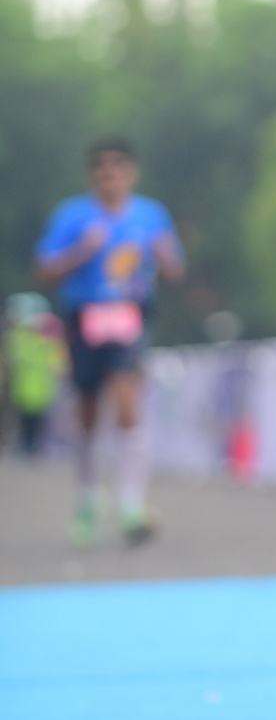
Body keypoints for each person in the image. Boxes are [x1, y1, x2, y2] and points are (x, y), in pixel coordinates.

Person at [34, 137, 185, 544]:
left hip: (130, 316)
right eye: (101, 169)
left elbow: (175, 271)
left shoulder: (151, 215)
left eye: (116, 168)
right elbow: (44, 269)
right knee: (86, 412)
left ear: (130, 174)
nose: (109, 175)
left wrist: (165, 257)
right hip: (85, 316)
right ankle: (88, 496)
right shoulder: (72, 216)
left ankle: (132, 503)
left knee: (126, 400)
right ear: (92, 177)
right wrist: (82, 252)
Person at [2, 293, 66, 453]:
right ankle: (26, 444)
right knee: (24, 420)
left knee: (41, 420)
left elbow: (59, 363)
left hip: (43, 389)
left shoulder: (48, 339)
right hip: (22, 389)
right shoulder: (16, 337)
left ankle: (38, 444)